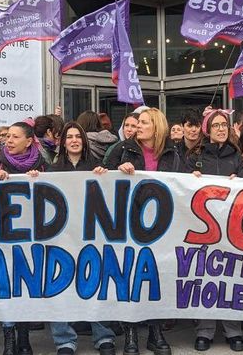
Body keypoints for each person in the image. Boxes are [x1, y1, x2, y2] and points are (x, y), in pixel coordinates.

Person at [24, 123, 116, 355]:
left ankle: (103, 335)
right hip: (61, 238)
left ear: (84, 141)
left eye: (78, 136)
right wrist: (34, 180)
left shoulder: (97, 168)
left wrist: (106, 178)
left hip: (91, 238)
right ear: (63, 142)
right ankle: (64, 340)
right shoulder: (52, 170)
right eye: (69, 137)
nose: (74, 140)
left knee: (96, 285)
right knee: (59, 287)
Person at [106, 107, 177, 355]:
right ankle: (131, 333)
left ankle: (155, 332)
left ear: (157, 127)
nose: (138, 126)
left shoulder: (172, 153)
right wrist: (117, 170)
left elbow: (181, 184)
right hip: (128, 222)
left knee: (155, 277)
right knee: (130, 276)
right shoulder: (122, 149)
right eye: (138, 123)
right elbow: (102, 177)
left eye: (144, 122)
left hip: (160, 224)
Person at [184, 108, 243, 352]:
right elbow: (182, 188)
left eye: (224, 125)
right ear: (207, 130)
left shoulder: (236, 156)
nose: (221, 129)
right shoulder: (194, 156)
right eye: (216, 125)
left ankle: (234, 330)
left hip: (231, 227)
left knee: (231, 277)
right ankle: (205, 330)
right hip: (204, 229)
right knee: (205, 278)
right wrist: (191, 179)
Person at [0, 121, 47, 355]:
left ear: (29, 141)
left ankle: (24, 338)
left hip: (31, 234)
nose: (9, 141)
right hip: (2, 234)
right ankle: (8, 338)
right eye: (8, 137)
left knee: (24, 286)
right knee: (6, 286)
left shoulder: (42, 165)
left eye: (15, 137)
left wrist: (39, 181)